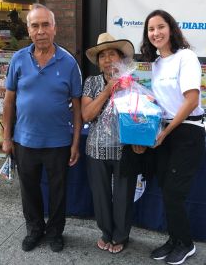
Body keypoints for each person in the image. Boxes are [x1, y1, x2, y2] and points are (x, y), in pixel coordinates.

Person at [2, 3, 82, 253]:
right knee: (29, 190)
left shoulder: (68, 62)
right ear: (28, 30)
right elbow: (9, 100)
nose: (41, 31)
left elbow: (77, 107)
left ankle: (56, 232)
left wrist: (76, 142)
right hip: (24, 140)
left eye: (45, 24)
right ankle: (34, 230)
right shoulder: (18, 59)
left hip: (58, 142)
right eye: (35, 26)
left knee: (58, 192)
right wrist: (6, 137)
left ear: (54, 28)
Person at [140, 9, 206, 265]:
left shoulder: (186, 57)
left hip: (187, 131)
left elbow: (191, 101)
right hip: (165, 131)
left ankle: (186, 244)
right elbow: (164, 103)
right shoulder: (156, 64)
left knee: (174, 192)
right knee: (166, 189)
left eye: (160, 27)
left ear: (171, 29)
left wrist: (165, 132)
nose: (156, 33)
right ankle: (174, 238)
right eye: (151, 29)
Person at [82, 32, 137, 254]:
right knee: (101, 194)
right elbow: (86, 115)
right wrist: (108, 90)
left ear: (121, 58)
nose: (107, 59)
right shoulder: (91, 83)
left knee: (124, 195)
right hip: (96, 149)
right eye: (102, 55)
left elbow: (140, 114)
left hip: (125, 150)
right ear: (98, 62)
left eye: (111, 54)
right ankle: (106, 232)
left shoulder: (132, 82)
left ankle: (121, 235)